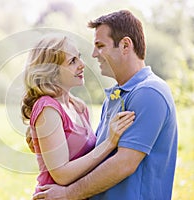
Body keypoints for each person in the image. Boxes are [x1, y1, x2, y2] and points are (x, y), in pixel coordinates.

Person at [32, 10, 178, 200]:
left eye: (100, 46)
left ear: (125, 45)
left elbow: (124, 163)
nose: (93, 55)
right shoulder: (116, 96)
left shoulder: (149, 92)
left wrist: (69, 194)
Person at [21, 35, 135, 194]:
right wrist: (109, 142)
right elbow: (62, 175)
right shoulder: (47, 108)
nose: (82, 65)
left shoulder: (78, 106)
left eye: (79, 58)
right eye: (72, 61)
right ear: (52, 72)